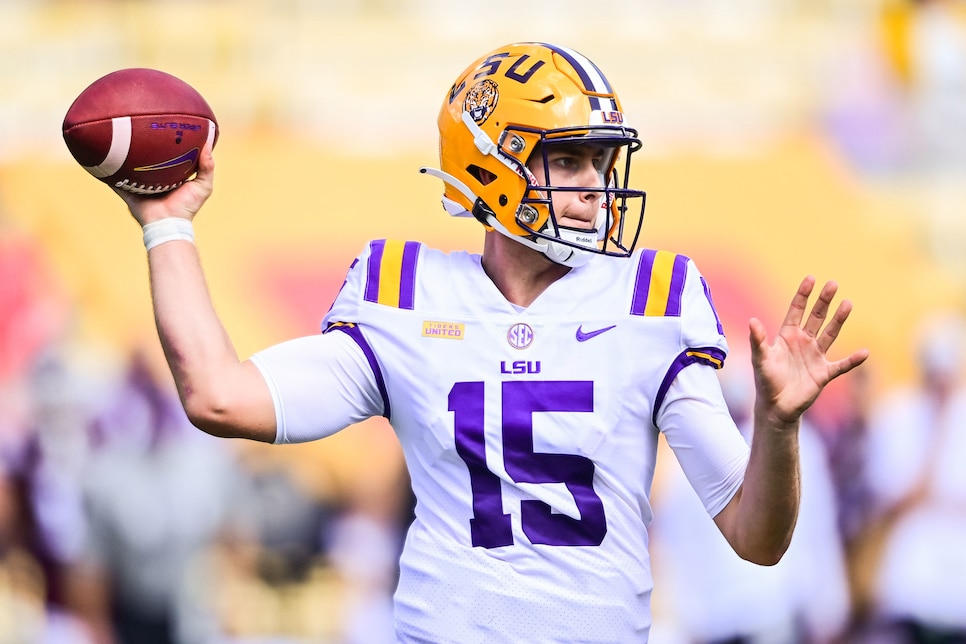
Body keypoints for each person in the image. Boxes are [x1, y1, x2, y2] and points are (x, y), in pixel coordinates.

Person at [108, 42, 868, 643]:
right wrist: (166, 223)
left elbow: (757, 537)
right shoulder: (401, 292)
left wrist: (777, 426)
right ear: (491, 163)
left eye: (601, 163)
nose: (596, 188)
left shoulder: (654, 299)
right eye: (569, 159)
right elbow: (218, 394)